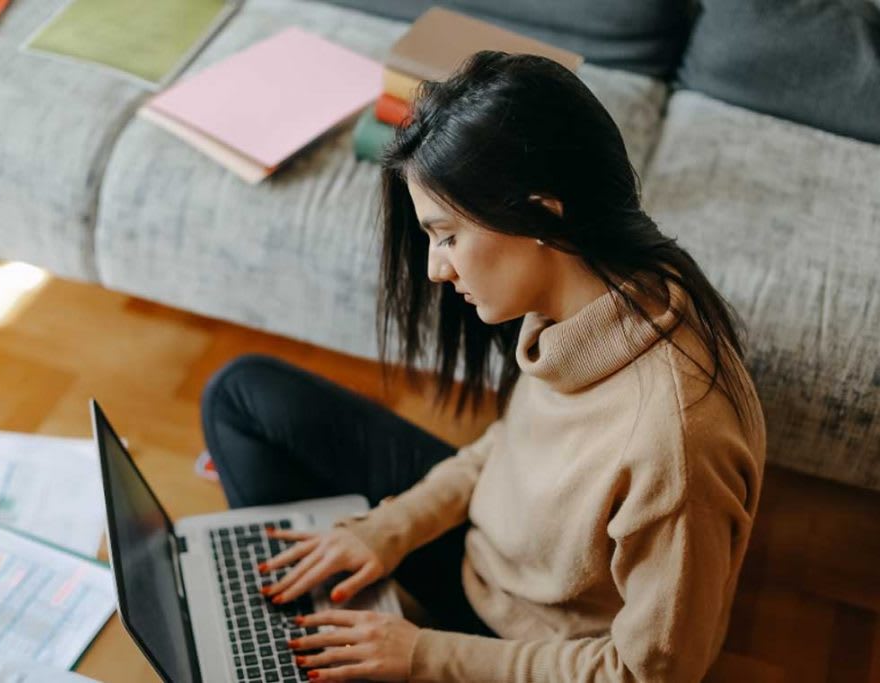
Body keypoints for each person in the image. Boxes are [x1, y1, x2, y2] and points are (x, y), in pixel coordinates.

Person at [201, 50, 766, 682]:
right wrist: (388, 528)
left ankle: (294, 649)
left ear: (541, 214)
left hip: (528, 651)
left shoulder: (677, 445)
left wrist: (422, 654)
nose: (436, 269)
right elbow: (511, 448)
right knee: (240, 394)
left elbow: (649, 674)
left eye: (446, 236)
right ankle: (300, 632)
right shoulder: (596, 299)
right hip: (488, 560)